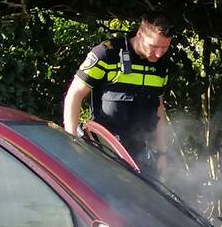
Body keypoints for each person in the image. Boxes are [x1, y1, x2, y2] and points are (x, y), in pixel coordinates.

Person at [63, 17, 172, 179]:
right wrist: (71, 141)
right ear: (140, 34)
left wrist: (162, 153)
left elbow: (159, 109)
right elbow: (75, 94)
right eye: (154, 46)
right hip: (104, 151)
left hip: (141, 154)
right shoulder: (107, 53)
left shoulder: (161, 65)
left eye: (164, 48)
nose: (158, 53)